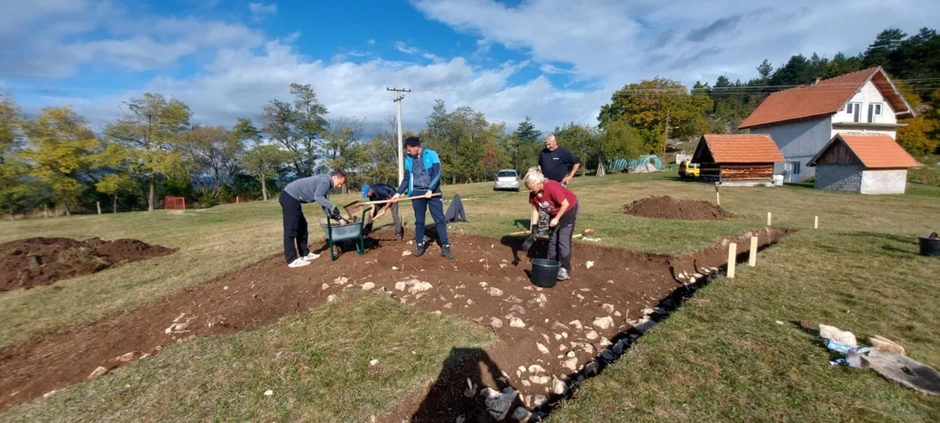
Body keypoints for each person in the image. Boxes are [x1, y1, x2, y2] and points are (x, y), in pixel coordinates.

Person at [391, 136, 453, 259]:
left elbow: (437, 173)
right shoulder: (409, 160)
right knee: (419, 221)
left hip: (433, 192)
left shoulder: (431, 154)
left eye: (409, 150)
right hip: (417, 192)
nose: (408, 152)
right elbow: (407, 179)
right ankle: (420, 245)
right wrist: (398, 193)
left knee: (440, 220)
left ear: (416, 146)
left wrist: (430, 189)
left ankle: (445, 246)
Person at [279, 170, 347, 268]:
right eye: (339, 183)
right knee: (291, 229)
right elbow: (318, 196)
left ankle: (305, 253)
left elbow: (323, 199)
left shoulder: (326, 181)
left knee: (302, 226)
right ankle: (292, 260)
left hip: (292, 198)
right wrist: (333, 207)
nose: (339, 186)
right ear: (335, 177)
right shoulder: (325, 181)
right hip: (289, 197)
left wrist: (328, 214)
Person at [524, 167, 578, 281]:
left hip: (568, 209)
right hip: (554, 212)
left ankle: (565, 269)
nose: (530, 191)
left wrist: (556, 219)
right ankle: (553, 265)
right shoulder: (533, 193)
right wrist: (534, 226)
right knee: (552, 240)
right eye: (528, 188)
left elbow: (565, 204)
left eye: (532, 188)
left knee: (563, 240)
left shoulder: (552, 187)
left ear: (539, 183)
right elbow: (535, 210)